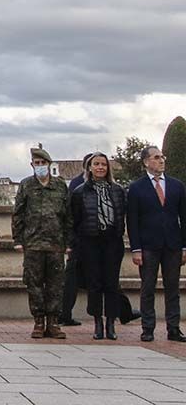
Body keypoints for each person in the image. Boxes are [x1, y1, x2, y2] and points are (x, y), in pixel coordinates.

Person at [126, 145, 186, 342]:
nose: (161, 161)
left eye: (162, 157)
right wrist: (136, 249)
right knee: (148, 288)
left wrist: (184, 246)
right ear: (146, 162)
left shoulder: (177, 186)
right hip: (147, 246)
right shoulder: (136, 188)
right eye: (156, 157)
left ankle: (174, 328)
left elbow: (184, 218)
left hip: (172, 245)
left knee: (172, 288)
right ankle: (148, 328)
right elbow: (132, 221)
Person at [12, 147, 71, 340]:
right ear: (32, 165)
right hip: (33, 244)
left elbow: (68, 216)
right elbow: (18, 213)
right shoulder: (26, 185)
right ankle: (38, 321)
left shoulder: (60, 186)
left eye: (43, 163)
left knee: (55, 285)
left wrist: (68, 242)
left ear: (49, 164)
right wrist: (18, 240)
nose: (40, 167)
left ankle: (53, 322)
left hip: (56, 244)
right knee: (34, 284)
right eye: (36, 164)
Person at [70, 152, 126, 340]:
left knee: (111, 283)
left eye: (103, 164)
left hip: (112, 241)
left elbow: (122, 214)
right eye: (96, 164)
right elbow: (74, 221)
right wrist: (75, 244)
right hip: (90, 242)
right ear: (90, 168)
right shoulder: (80, 192)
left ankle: (111, 323)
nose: (100, 167)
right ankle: (97, 323)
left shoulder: (117, 190)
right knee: (94, 284)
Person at [60, 153, 93, 327]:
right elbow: (70, 215)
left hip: (91, 240)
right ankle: (64, 313)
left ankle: (64, 313)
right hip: (80, 240)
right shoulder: (78, 185)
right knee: (71, 279)